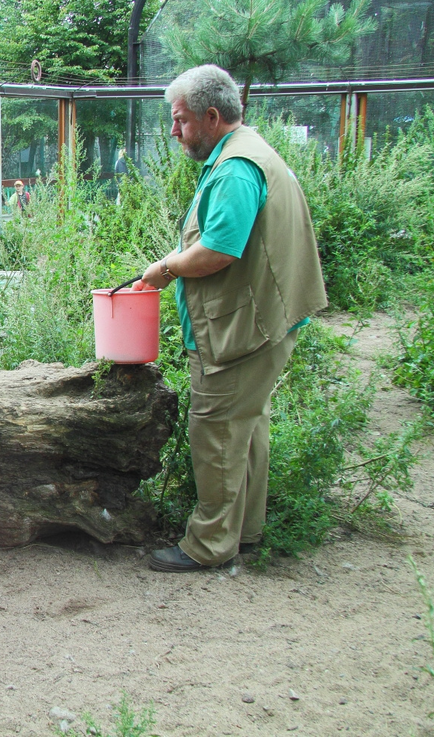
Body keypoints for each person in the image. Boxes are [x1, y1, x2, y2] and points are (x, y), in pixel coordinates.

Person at [133, 64, 328, 572]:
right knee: (246, 424)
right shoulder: (250, 151)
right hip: (265, 317)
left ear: (211, 116)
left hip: (242, 328)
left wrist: (165, 268)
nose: (174, 132)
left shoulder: (237, 168)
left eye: (180, 121)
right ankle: (245, 530)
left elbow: (218, 250)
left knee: (216, 428)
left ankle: (209, 545)